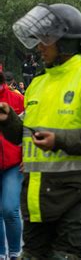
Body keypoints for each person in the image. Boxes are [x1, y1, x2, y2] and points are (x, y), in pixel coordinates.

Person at [0, 3, 81, 259]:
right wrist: (9, 120)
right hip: (35, 199)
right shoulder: (39, 83)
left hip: (74, 198)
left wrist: (58, 140)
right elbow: (27, 138)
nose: (40, 46)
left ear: (65, 41)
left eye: (46, 39)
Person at [0, 71, 24, 260]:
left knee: (9, 208)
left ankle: (15, 252)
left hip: (13, 164)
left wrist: (27, 155)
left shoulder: (17, 99)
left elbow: (29, 128)